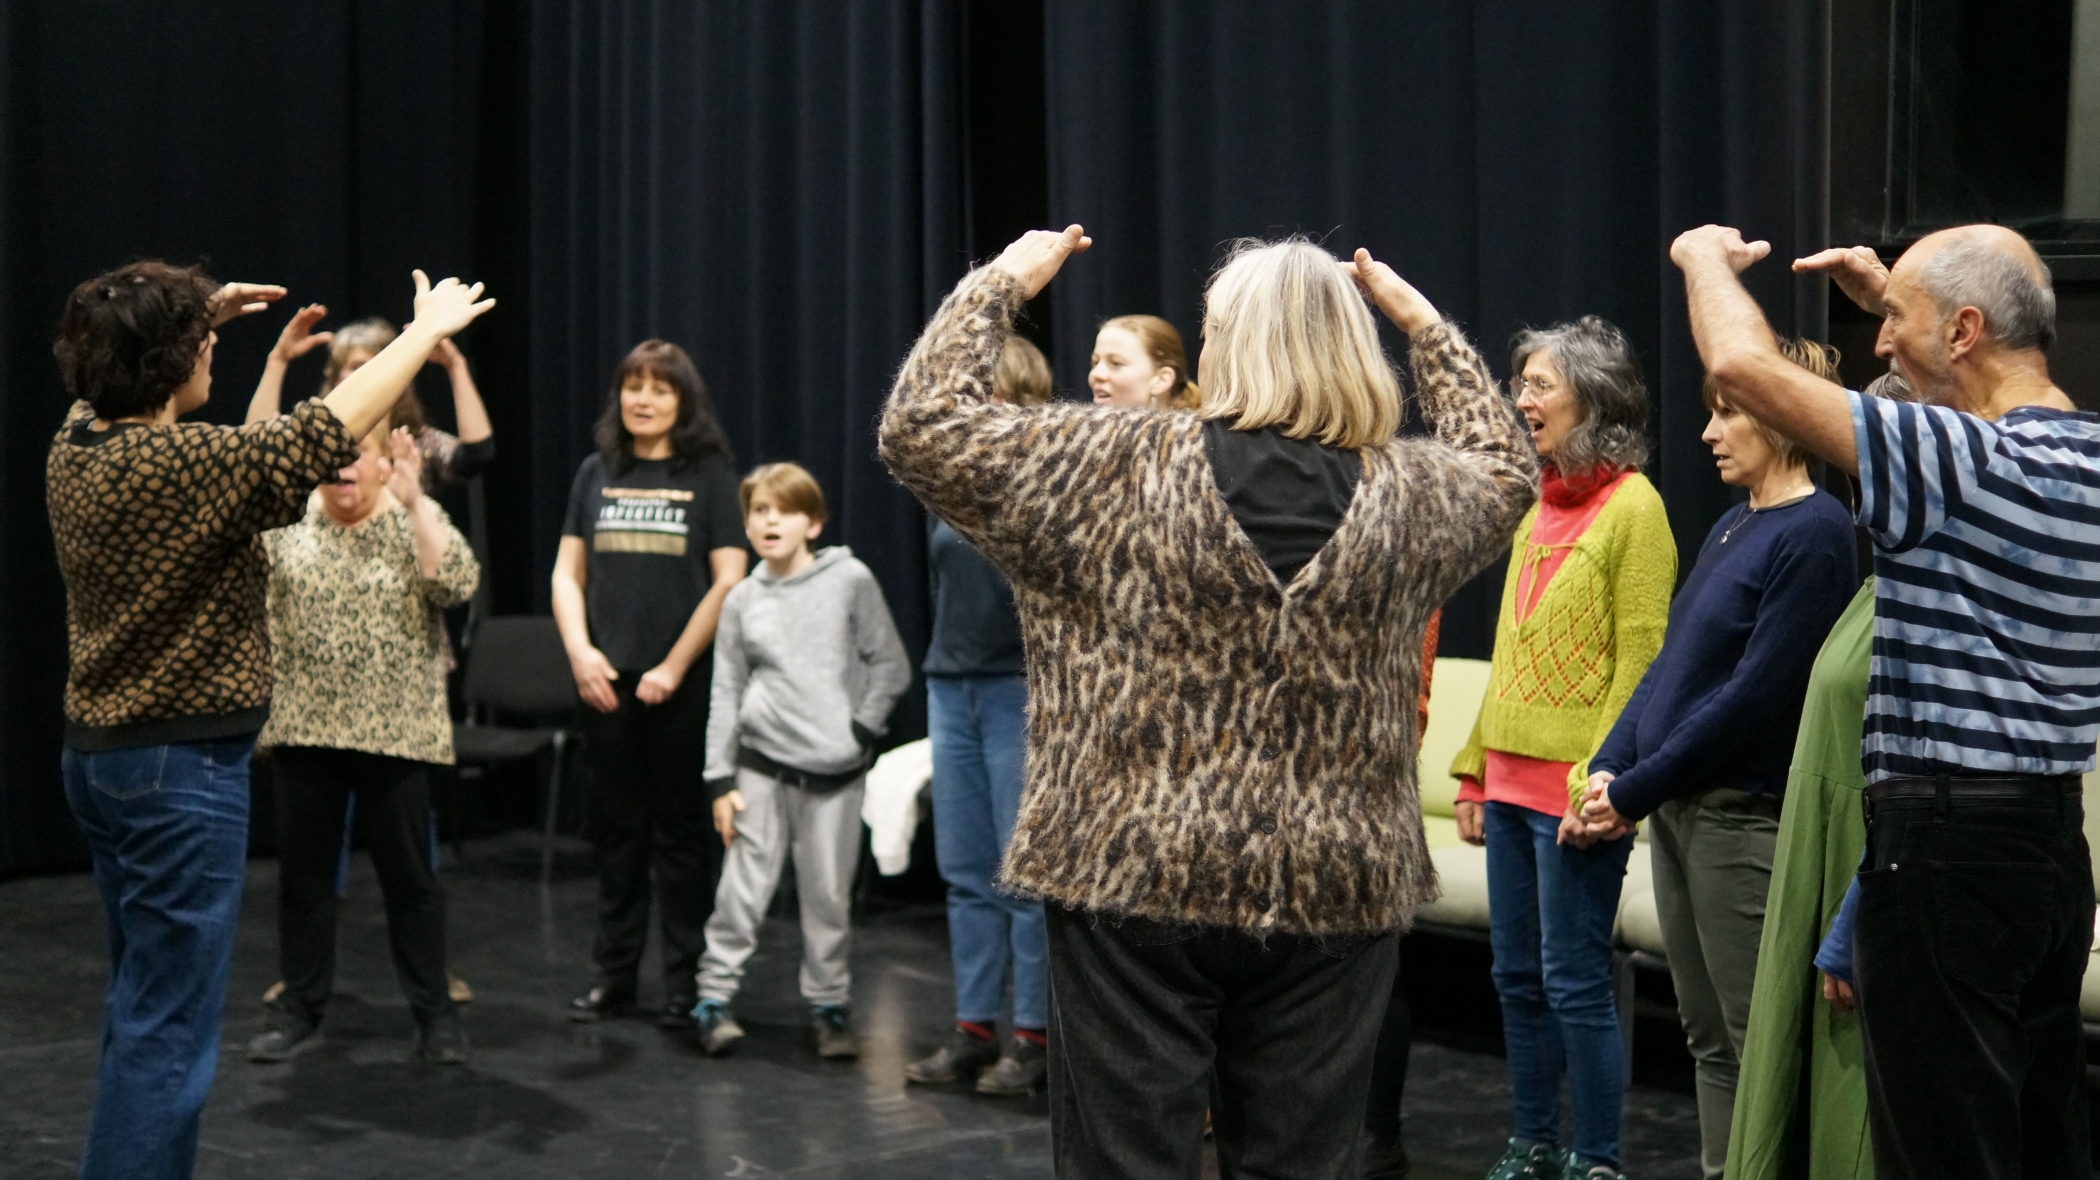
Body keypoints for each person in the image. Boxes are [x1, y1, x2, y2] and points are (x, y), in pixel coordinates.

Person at [880, 225, 1536, 1179]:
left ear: (1223, 341)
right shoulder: (1416, 494)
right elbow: (1507, 467)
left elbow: (921, 429)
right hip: (1336, 886)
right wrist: (1426, 326)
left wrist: (1002, 284)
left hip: (1127, 876)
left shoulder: (1104, 467)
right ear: (1354, 342)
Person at [1671, 221, 2096, 1180]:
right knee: (2035, 1141)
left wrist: (1704, 259)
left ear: (1965, 331)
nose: (1877, 343)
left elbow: (1742, 364)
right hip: (2048, 853)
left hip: (1945, 855)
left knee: (1940, 1152)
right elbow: (1924, 417)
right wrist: (1907, 314)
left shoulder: (1957, 464)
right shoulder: (2083, 460)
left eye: (1894, 324)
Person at [48, 261, 490, 1180]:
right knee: (167, 1035)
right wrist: (421, 335)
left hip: (102, 761)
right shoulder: (186, 464)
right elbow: (323, 428)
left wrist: (191, 317)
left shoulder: (76, 443)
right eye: (200, 344)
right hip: (178, 772)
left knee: (144, 1010)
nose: (210, 349)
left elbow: (115, 371)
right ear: (168, 364)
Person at [1572, 340, 1859, 1180]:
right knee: (1709, 1042)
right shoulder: (1739, 522)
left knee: (1756, 1042)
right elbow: (1671, 667)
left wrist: (1634, 788)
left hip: (1741, 820)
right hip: (1683, 814)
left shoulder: (1817, 531)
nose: (1708, 432)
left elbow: (1753, 699)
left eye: (1729, 410)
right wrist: (1610, 764)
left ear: (1782, 412)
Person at [1448, 317, 1677, 1180]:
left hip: (1578, 792)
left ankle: (1598, 1158)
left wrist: (1604, 778)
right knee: (1515, 977)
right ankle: (1532, 1140)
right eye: (1522, 383)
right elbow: (1512, 646)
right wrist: (1473, 766)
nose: (1522, 399)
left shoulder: (1636, 510)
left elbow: (1643, 662)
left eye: (1539, 384)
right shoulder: (1538, 501)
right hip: (1506, 784)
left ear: (1594, 396)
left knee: (1575, 982)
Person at [247, 308, 494, 1012]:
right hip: (306, 731)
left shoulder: (414, 511)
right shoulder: (289, 519)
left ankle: (431, 1011)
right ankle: (302, 1003)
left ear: (387, 458)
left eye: (359, 451)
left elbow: (456, 583)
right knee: (305, 882)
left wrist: (417, 508)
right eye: (330, 452)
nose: (342, 464)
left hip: (396, 730)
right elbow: (257, 450)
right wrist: (273, 365)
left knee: (412, 881)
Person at [1724, 369, 1918, 1180]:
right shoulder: (1886, 578)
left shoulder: (1932, 602)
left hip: (1868, 876)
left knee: (1859, 1121)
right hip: (1825, 856)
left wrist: (1853, 919)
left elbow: (1924, 775)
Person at [553, 340, 748, 1028]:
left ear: (682, 401)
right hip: (606, 681)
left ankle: (683, 980)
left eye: (659, 389)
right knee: (616, 834)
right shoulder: (596, 472)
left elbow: (730, 577)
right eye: (632, 386)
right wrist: (580, 652)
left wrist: (672, 665)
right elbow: (566, 574)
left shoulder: (710, 475)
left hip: (681, 683)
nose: (643, 399)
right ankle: (614, 976)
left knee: (679, 836)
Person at [691, 462, 913, 1060]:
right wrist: (719, 778)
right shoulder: (741, 599)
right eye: (759, 511)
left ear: (812, 523)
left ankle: (828, 1006)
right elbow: (726, 691)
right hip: (760, 766)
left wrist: (857, 731)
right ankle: (712, 999)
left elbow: (890, 665)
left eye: (783, 511)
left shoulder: (849, 580)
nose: (769, 521)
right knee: (742, 891)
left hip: (835, 772)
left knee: (826, 896)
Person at [904, 336, 1056, 1096]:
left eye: (984, 391)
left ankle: (1033, 1038)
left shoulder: (1047, 479)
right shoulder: (951, 480)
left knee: (1020, 873)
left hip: (1016, 688)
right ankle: (972, 1029)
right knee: (964, 871)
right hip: (951, 684)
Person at [1360, 610, 1442, 1180]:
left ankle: (1376, 1141)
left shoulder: (1395, 534)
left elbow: (1413, 687)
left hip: (1372, 780)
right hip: (1280, 782)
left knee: (1375, 969)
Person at [250, 306, 495, 490]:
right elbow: (256, 451)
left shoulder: (411, 442)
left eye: (370, 367)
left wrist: (456, 365)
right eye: (355, 368)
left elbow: (475, 456)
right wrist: (277, 361)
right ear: (334, 377)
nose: (366, 377)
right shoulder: (317, 439)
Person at [1089, 313, 1200, 410]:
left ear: (1161, 380)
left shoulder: (1193, 433)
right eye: (1095, 362)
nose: (1096, 374)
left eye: (1116, 363)